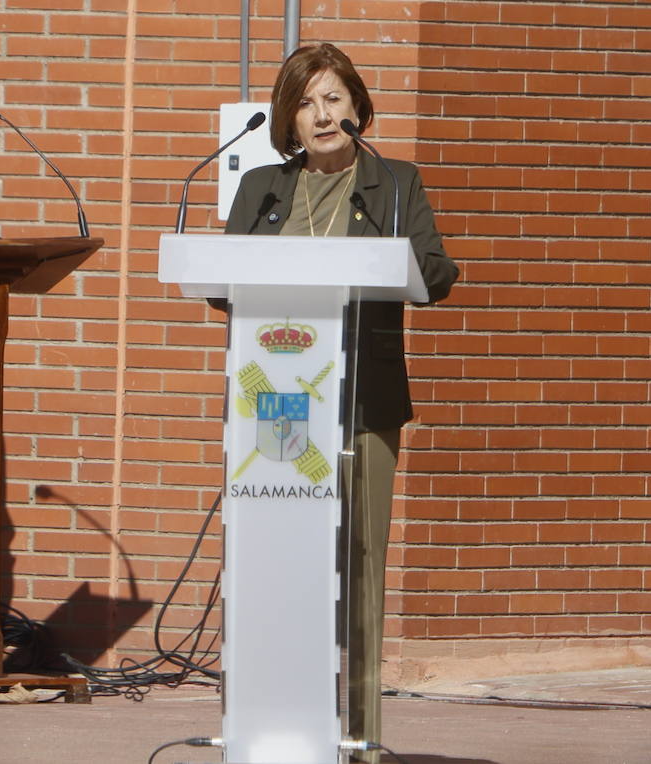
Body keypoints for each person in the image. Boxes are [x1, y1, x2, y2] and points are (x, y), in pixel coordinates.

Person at [222, 43, 459, 761]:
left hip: (365, 402)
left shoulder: (394, 184)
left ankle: (358, 733)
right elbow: (223, 276)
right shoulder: (262, 186)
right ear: (288, 119)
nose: (320, 114)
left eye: (333, 98)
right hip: (279, 406)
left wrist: (394, 265)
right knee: (278, 559)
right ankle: (274, 727)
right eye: (304, 101)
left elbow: (437, 273)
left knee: (358, 561)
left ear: (356, 107)